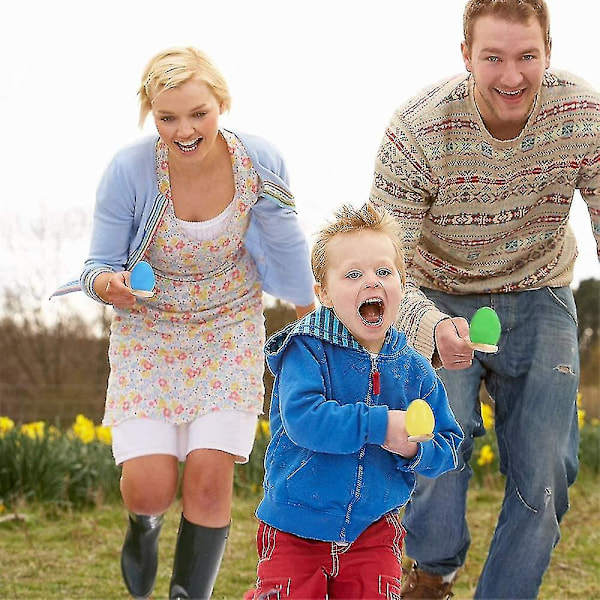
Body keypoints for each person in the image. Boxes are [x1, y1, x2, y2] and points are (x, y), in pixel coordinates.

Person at [53, 47, 315, 599]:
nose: (185, 129)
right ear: (151, 114)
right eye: (168, 117)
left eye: (198, 113)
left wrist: (308, 318)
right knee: (150, 487)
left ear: (221, 103)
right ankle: (143, 529)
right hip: (149, 333)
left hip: (227, 328)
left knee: (209, 475)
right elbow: (97, 263)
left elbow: (288, 245)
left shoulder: (259, 161)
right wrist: (108, 285)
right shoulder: (129, 169)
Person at [370, 0, 600, 598]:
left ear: (548, 52)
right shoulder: (417, 130)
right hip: (436, 293)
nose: (511, 76)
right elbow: (383, 266)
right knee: (440, 438)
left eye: (528, 56)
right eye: (493, 57)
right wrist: (428, 327)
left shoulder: (581, 114)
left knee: (548, 470)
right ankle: (434, 570)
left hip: (540, 291)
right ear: (466, 55)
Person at [245, 202, 463, 599]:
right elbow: (305, 419)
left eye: (384, 271)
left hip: (374, 530)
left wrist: (414, 447)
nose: (372, 282)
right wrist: (381, 425)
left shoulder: (413, 368)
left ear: (401, 282)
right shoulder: (307, 350)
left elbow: (448, 443)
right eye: (353, 274)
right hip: (296, 522)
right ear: (323, 293)